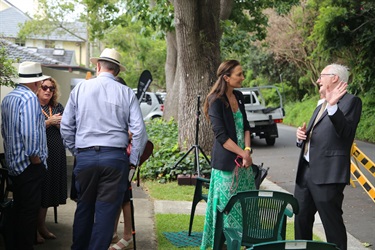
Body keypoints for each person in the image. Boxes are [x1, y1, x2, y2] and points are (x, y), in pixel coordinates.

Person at [60, 48, 148, 250]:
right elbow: (139, 132)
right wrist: (132, 161)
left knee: (84, 208)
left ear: (98, 66)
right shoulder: (126, 92)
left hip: (86, 156)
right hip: (115, 159)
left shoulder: (81, 89)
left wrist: (77, 151)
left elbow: (66, 127)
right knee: (107, 214)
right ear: (117, 71)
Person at [294, 63, 362, 250]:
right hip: (305, 173)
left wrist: (333, 107)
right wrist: (302, 137)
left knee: (332, 225)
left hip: (328, 175)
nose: (317, 80)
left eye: (321, 75)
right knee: (301, 220)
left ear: (334, 78)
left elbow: (346, 133)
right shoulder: (321, 103)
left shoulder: (351, 102)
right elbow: (316, 135)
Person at [200, 60, 255, 249]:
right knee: (228, 208)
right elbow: (221, 136)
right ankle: (225, 244)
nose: (242, 77)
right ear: (226, 77)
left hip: (244, 164)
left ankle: (247, 243)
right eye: (238, 74)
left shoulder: (239, 96)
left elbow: (246, 126)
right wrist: (243, 154)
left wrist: (247, 151)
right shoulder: (214, 100)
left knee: (247, 206)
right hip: (226, 165)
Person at [1, 61, 49, 249]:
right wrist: (35, 159)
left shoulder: (9, 98)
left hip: (13, 164)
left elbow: (4, 130)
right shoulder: (29, 98)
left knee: (20, 211)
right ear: (37, 82)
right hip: (29, 166)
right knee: (28, 215)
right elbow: (29, 133)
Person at [36, 78, 67, 243]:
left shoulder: (57, 107)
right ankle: (34, 228)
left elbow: (68, 127)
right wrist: (49, 122)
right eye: (45, 87)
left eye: (52, 88)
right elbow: (30, 129)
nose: (48, 91)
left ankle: (42, 226)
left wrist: (59, 124)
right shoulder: (33, 106)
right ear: (38, 88)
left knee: (48, 190)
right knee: (39, 191)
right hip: (39, 156)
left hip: (56, 154)